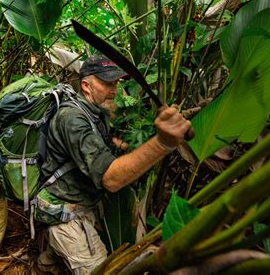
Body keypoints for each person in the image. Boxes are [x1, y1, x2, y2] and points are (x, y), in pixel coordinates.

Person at [34, 55, 191, 274]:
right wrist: (163, 142)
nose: (115, 90)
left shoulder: (96, 112)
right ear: (86, 86)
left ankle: (47, 263)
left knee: (56, 259)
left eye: (117, 83)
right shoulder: (72, 119)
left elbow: (112, 143)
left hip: (84, 200)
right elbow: (111, 179)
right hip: (65, 210)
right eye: (108, 83)